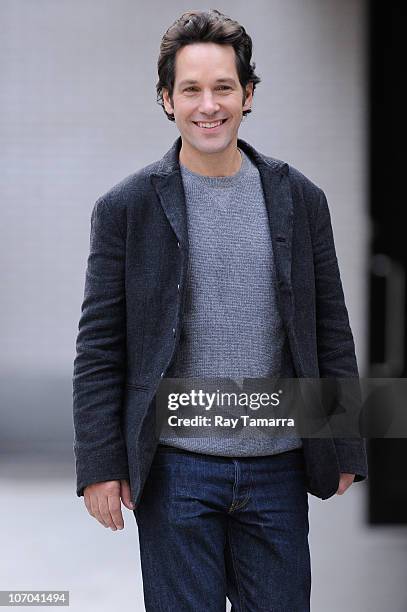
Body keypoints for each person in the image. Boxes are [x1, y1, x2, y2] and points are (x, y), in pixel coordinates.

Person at [72, 9, 368, 611]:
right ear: (166, 100)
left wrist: (344, 441)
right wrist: (100, 465)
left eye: (224, 88)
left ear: (248, 94)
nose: (208, 105)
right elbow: (100, 347)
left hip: (277, 469)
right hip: (177, 471)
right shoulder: (127, 209)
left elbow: (330, 330)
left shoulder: (300, 199)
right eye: (191, 90)